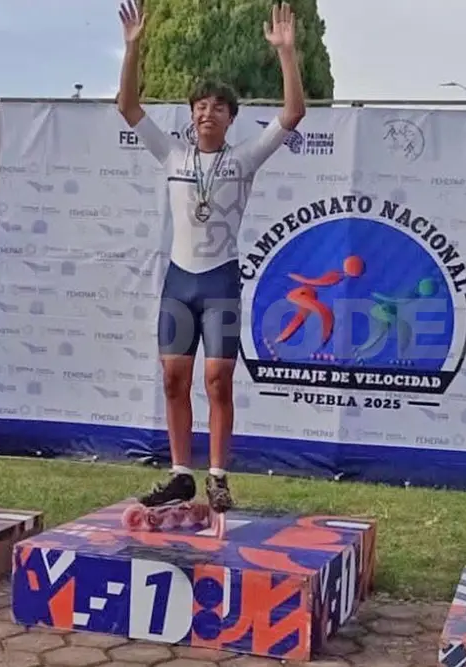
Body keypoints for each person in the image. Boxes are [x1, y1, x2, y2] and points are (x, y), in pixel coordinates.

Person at [115, 0, 306, 518]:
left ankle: (218, 476)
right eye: (200, 106)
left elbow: (292, 115)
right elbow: (128, 107)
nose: (207, 113)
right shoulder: (173, 156)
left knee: (218, 380)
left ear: (230, 118)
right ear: (192, 113)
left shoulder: (244, 158)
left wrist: (287, 54)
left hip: (219, 281)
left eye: (218, 107)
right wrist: (132, 50)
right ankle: (181, 474)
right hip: (179, 282)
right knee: (173, 380)